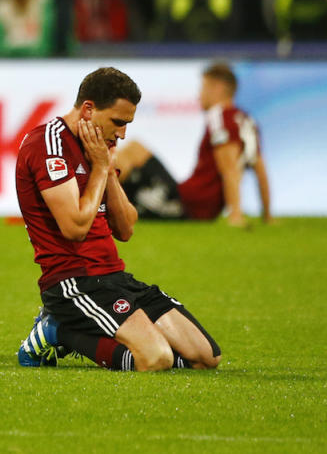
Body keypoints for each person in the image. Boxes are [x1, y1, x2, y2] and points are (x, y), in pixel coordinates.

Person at [14, 67, 221, 371]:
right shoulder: (48, 144)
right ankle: (58, 329)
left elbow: (125, 228)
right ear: (88, 109)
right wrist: (99, 167)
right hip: (73, 282)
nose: (122, 133)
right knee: (155, 359)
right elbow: (74, 228)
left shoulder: (100, 149)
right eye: (118, 122)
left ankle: (118, 339)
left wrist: (108, 169)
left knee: (206, 357)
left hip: (115, 278)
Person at [114, 62, 271, 227]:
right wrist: (267, 215)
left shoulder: (219, 118)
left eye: (203, 88)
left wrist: (235, 215)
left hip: (187, 206)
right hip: (189, 199)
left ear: (218, 88)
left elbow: (230, 169)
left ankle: (90, 203)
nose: (199, 95)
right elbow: (260, 170)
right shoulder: (245, 120)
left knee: (120, 166)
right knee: (135, 149)